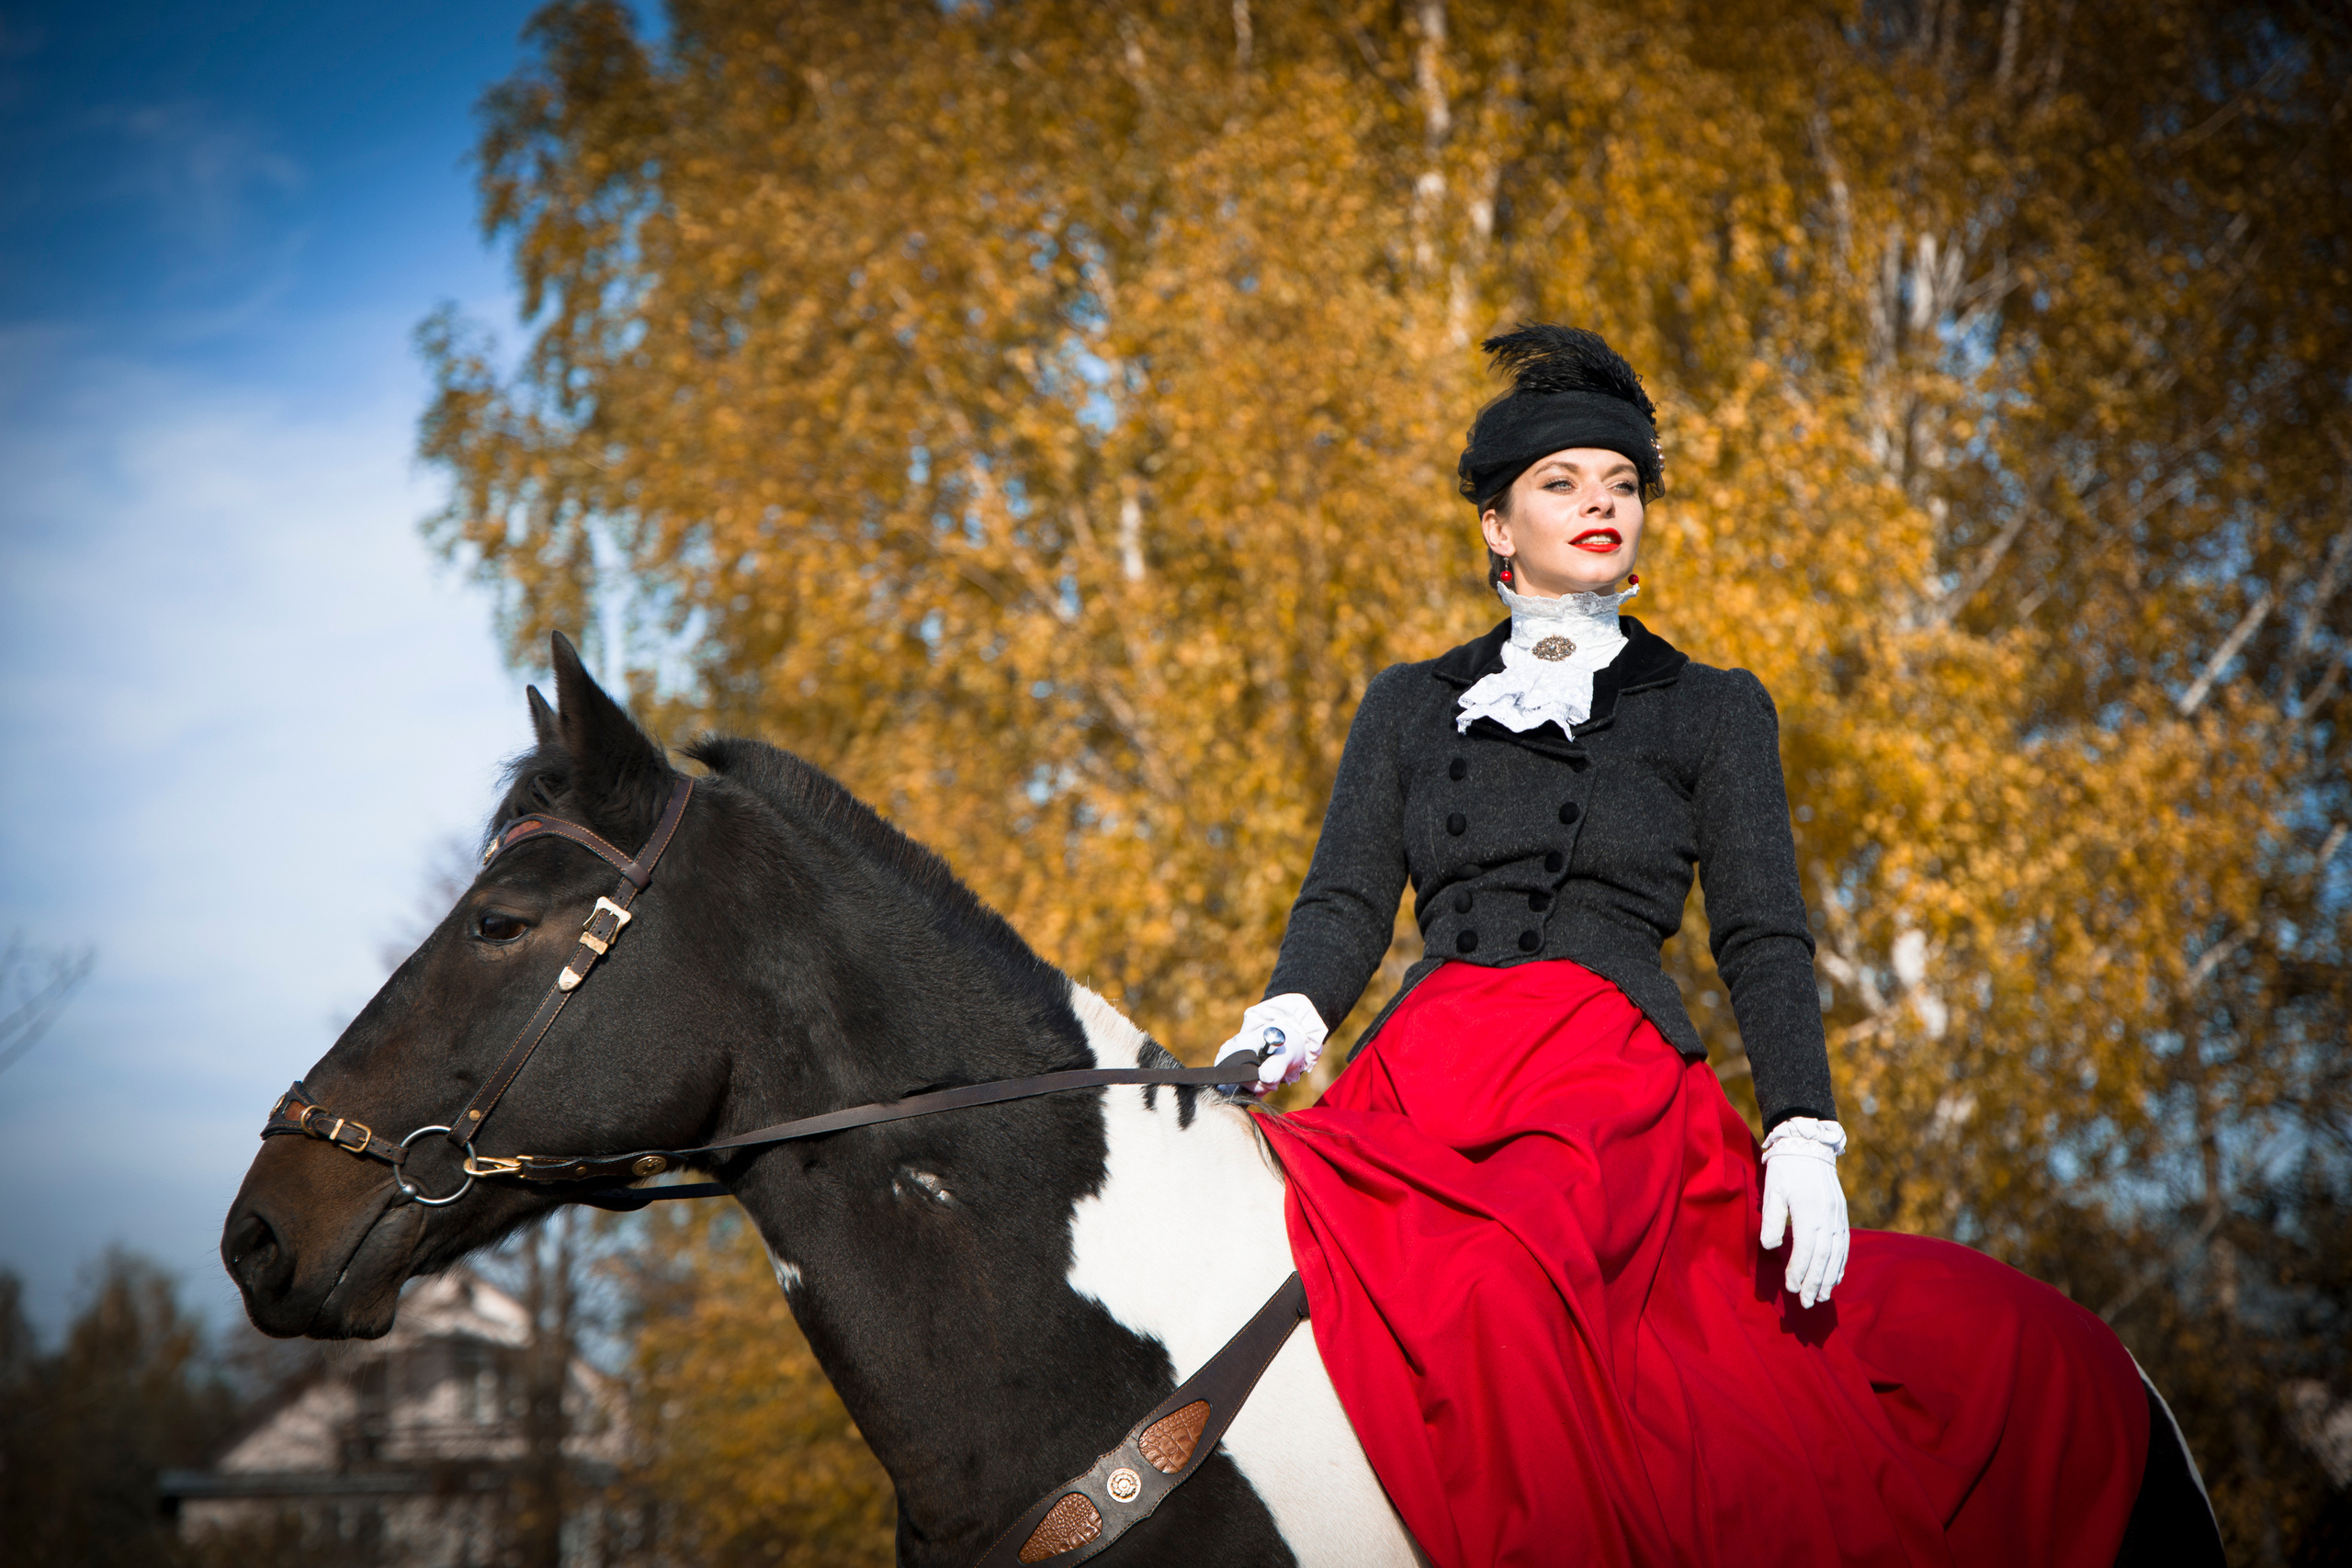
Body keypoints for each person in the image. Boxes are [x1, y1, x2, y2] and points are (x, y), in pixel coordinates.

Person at [1221, 326, 2155, 1566]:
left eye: (1621, 484)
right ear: (1497, 527)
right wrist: (1287, 1017)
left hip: (1603, 1079)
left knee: (1506, 1278)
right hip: (1427, 1063)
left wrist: (1803, 1128)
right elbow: (1345, 904)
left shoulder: (1712, 707)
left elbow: (1763, 935)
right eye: (1560, 483)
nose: (1599, 504)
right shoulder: (1409, 700)